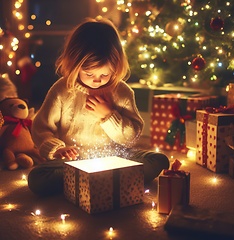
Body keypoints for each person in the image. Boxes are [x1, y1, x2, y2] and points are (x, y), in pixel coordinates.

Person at [28, 17, 169, 196]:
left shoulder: (122, 92)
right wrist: (57, 149)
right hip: (74, 162)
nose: (97, 80)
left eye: (105, 74)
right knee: (38, 178)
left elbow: (131, 137)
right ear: (74, 65)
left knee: (158, 160)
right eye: (89, 73)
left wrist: (109, 115)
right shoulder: (62, 90)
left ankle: (89, 183)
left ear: (116, 68)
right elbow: (41, 128)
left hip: (114, 159)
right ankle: (106, 181)